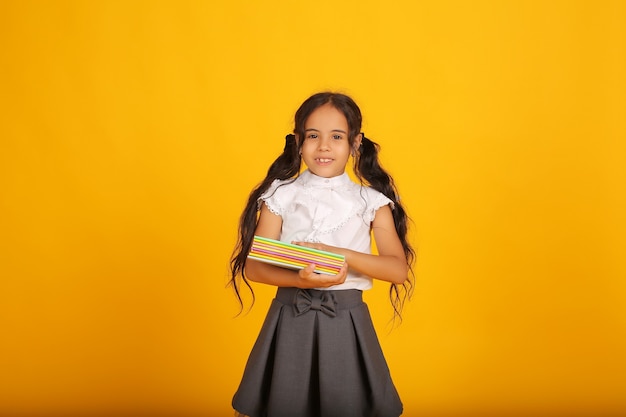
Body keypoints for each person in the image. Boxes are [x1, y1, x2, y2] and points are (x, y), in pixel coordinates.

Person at [229, 92, 415, 417]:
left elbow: (397, 270)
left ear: (355, 143)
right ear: (299, 142)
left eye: (337, 137)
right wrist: (297, 278)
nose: (324, 146)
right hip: (288, 317)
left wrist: (336, 254)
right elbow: (254, 268)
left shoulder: (370, 201)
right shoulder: (280, 195)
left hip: (347, 320)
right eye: (313, 136)